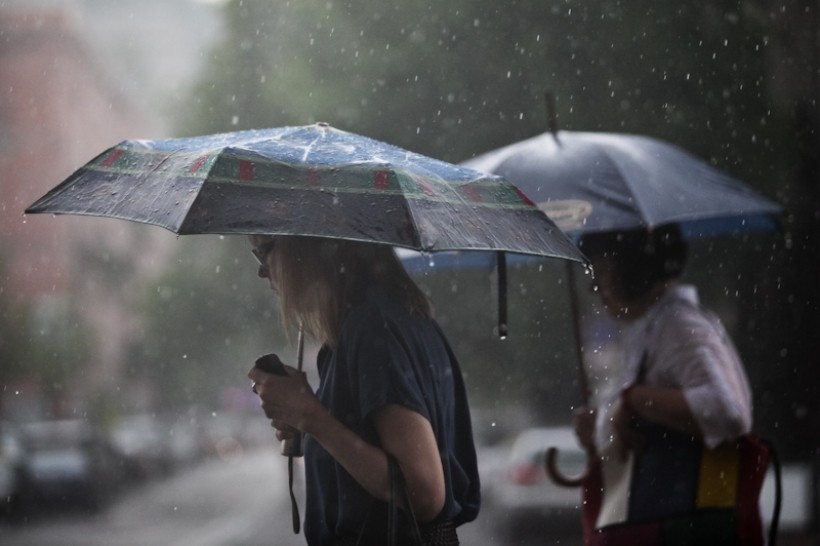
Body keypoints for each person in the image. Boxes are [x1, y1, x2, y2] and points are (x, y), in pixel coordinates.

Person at [247, 235, 480, 546]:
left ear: (310, 244)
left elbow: (423, 495)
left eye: (265, 251)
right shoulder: (388, 321)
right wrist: (309, 424)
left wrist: (313, 417)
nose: (262, 271)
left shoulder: (372, 329)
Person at [572, 225, 755, 545]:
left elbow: (729, 411)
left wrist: (635, 400)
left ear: (632, 271)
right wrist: (602, 423)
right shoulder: (653, 326)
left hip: (680, 522)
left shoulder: (680, 326)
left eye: (601, 273)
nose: (595, 287)